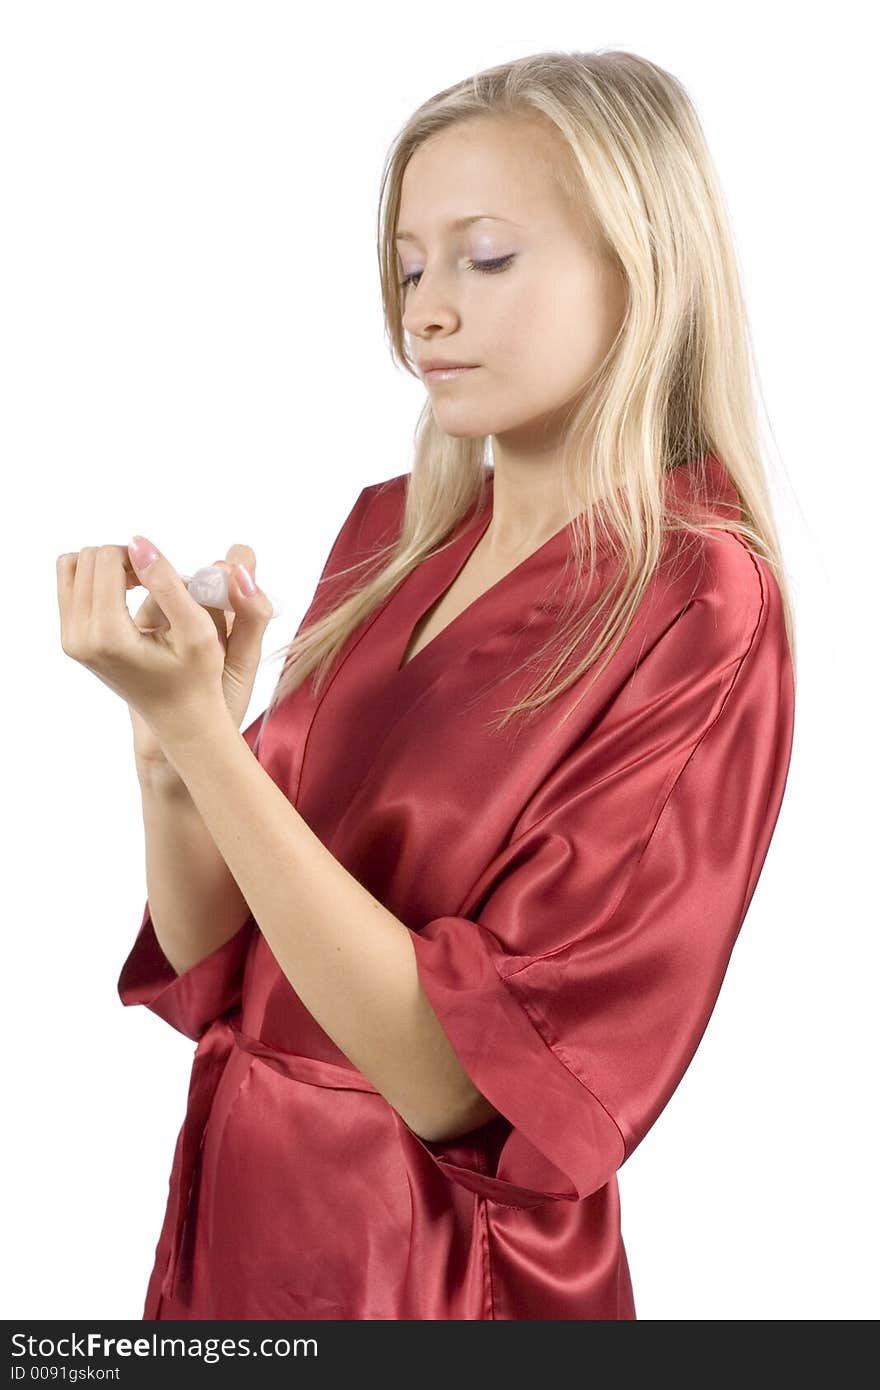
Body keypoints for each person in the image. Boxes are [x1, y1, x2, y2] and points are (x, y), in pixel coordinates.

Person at [114, 50, 796, 1320]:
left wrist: (215, 749)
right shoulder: (392, 541)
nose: (425, 311)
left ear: (641, 268)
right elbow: (217, 957)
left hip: (439, 1277)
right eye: (411, 265)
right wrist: (170, 730)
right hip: (242, 1226)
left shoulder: (699, 604)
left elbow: (460, 1076)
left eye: (484, 258)